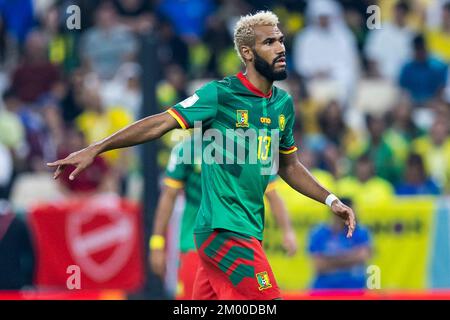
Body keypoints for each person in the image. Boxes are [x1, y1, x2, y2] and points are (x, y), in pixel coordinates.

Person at [48, 11, 356, 300]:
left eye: (281, 40)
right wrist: (97, 147)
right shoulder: (220, 95)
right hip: (225, 229)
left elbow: (289, 166)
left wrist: (331, 200)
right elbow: (160, 123)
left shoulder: (283, 105)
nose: (280, 48)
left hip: (246, 229)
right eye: (269, 42)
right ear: (247, 53)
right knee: (267, 301)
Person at [149, 136, 298, 299]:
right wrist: (157, 243)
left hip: (235, 243)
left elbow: (272, 194)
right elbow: (168, 196)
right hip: (199, 245)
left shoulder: (251, 149)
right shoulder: (187, 149)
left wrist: (288, 231)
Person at [308, 198, 371, 290]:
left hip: (355, 289)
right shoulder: (319, 233)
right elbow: (319, 265)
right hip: (324, 290)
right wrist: (351, 258)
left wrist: (330, 260)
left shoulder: (360, 231)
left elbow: (362, 256)